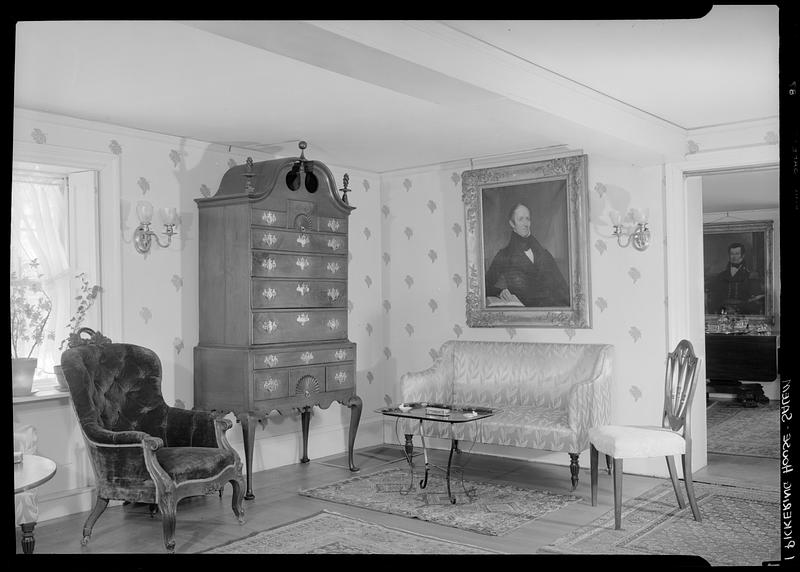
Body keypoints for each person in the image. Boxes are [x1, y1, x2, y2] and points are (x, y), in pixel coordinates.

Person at [485, 203, 570, 307]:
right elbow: (485, 285)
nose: (526, 223)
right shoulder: (504, 255)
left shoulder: (544, 254)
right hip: (525, 312)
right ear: (512, 223)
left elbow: (563, 288)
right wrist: (500, 291)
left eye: (528, 219)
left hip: (552, 310)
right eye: (521, 219)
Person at [707, 242, 763, 314]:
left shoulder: (750, 275)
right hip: (723, 311)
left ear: (742, 256)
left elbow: (755, 298)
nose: (734, 257)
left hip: (743, 312)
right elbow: (715, 296)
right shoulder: (721, 276)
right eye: (732, 254)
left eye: (737, 254)